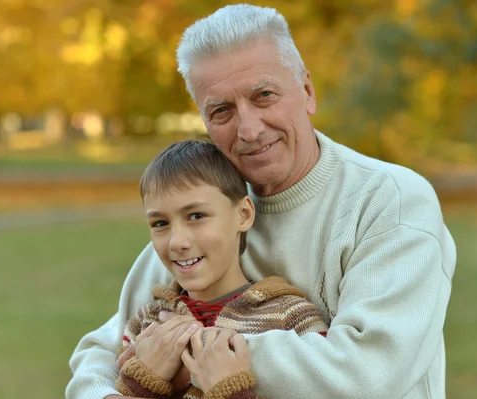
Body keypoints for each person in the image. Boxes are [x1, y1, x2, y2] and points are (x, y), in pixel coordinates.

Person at [67, 4, 456, 399]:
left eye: (264, 95)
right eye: (221, 111)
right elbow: (105, 350)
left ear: (306, 91)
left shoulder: (390, 200)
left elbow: (370, 371)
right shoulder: (206, 210)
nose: (249, 129)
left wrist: (193, 355)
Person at [115, 140, 328, 399]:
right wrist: (143, 383)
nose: (177, 242)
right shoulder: (147, 325)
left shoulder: (291, 319)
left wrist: (230, 391)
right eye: (160, 223)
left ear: (244, 214)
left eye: (196, 216)